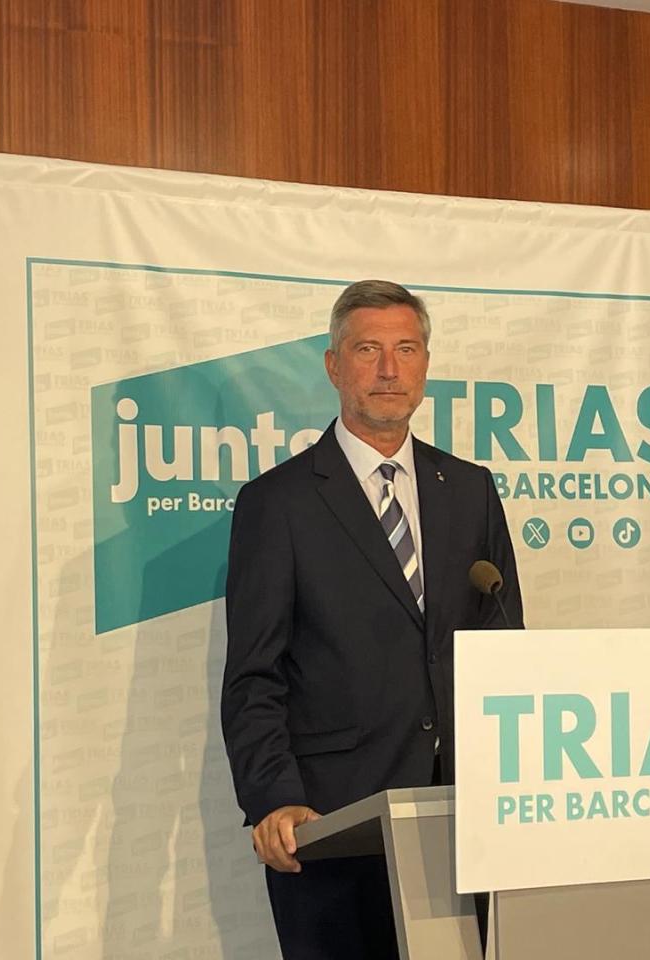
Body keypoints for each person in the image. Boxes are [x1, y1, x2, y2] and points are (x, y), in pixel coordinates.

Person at [221, 279, 524, 959]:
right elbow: (254, 675)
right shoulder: (280, 503)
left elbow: (505, 649)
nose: (389, 369)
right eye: (368, 349)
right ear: (334, 365)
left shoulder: (471, 489)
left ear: (425, 364)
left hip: (464, 825)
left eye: (406, 348)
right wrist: (274, 799)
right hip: (333, 827)